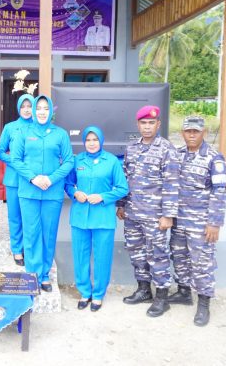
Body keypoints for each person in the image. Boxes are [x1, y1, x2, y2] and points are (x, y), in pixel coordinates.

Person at [116, 105, 179, 317]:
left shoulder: (167, 149)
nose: (147, 127)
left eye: (151, 123)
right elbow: (125, 179)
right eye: (143, 123)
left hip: (155, 215)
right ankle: (144, 290)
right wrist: (121, 204)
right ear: (138, 125)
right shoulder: (132, 148)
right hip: (133, 212)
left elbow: (172, 184)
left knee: (158, 255)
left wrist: (168, 215)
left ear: (158, 124)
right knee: (137, 252)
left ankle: (162, 297)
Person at [11, 95, 74, 292]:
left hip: (52, 192)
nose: (42, 112)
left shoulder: (60, 134)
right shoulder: (24, 132)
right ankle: (33, 274)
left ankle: (45, 274)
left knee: (48, 233)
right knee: (31, 234)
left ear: (51, 112)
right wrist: (33, 178)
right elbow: (16, 159)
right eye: (39, 108)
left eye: (46, 108)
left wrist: (51, 178)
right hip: (29, 191)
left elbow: (70, 161)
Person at [168, 116, 226, 326]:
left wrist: (214, 222)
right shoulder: (177, 154)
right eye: (188, 131)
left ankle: (204, 303)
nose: (191, 135)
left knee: (202, 263)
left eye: (196, 131)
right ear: (182, 133)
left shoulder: (214, 158)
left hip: (201, 222)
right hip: (179, 220)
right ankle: (184, 292)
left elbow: (220, 192)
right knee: (179, 257)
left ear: (204, 133)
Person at [64, 126, 129, 311]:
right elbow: (68, 184)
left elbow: (122, 188)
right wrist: (75, 193)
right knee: (80, 255)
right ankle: (85, 292)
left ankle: (98, 294)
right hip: (80, 217)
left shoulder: (112, 161)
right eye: (88, 140)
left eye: (95, 140)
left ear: (101, 141)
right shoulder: (78, 160)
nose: (92, 143)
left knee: (102, 257)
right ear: (84, 142)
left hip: (103, 217)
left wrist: (103, 197)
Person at [0, 94, 35, 266]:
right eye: (23, 106)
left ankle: (30, 249)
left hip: (33, 180)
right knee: (15, 216)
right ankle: (17, 250)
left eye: (29, 106)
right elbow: (0, 152)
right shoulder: (10, 127)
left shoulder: (39, 127)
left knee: (31, 216)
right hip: (13, 179)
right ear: (18, 108)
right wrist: (15, 161)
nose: (26, 109)